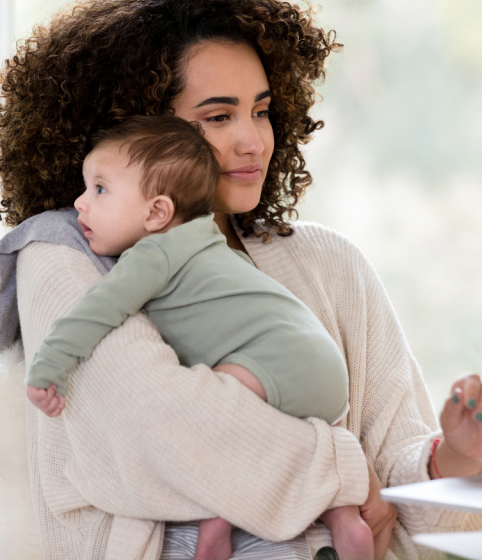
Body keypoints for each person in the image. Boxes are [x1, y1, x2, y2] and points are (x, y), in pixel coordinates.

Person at [0, 0, 482, 558]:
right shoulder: (62, 252)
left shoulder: (331, 263)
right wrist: (347, 468)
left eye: (260, 110)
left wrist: (457, 458)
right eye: (218, 116)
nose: (253, 140)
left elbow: (402, 518)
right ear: (139, 137)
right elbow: (166, 437)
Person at [24, 115, 374, 560]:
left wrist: (48, 367)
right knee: (284, 432)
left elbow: (96, 311)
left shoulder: (152, 254)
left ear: (156, 212)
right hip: (324, 370)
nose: (80, 204)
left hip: (275, 361)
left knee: (220, 426)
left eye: (100, 189)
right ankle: (347, 522)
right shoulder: (210, 242)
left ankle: (216, 525)